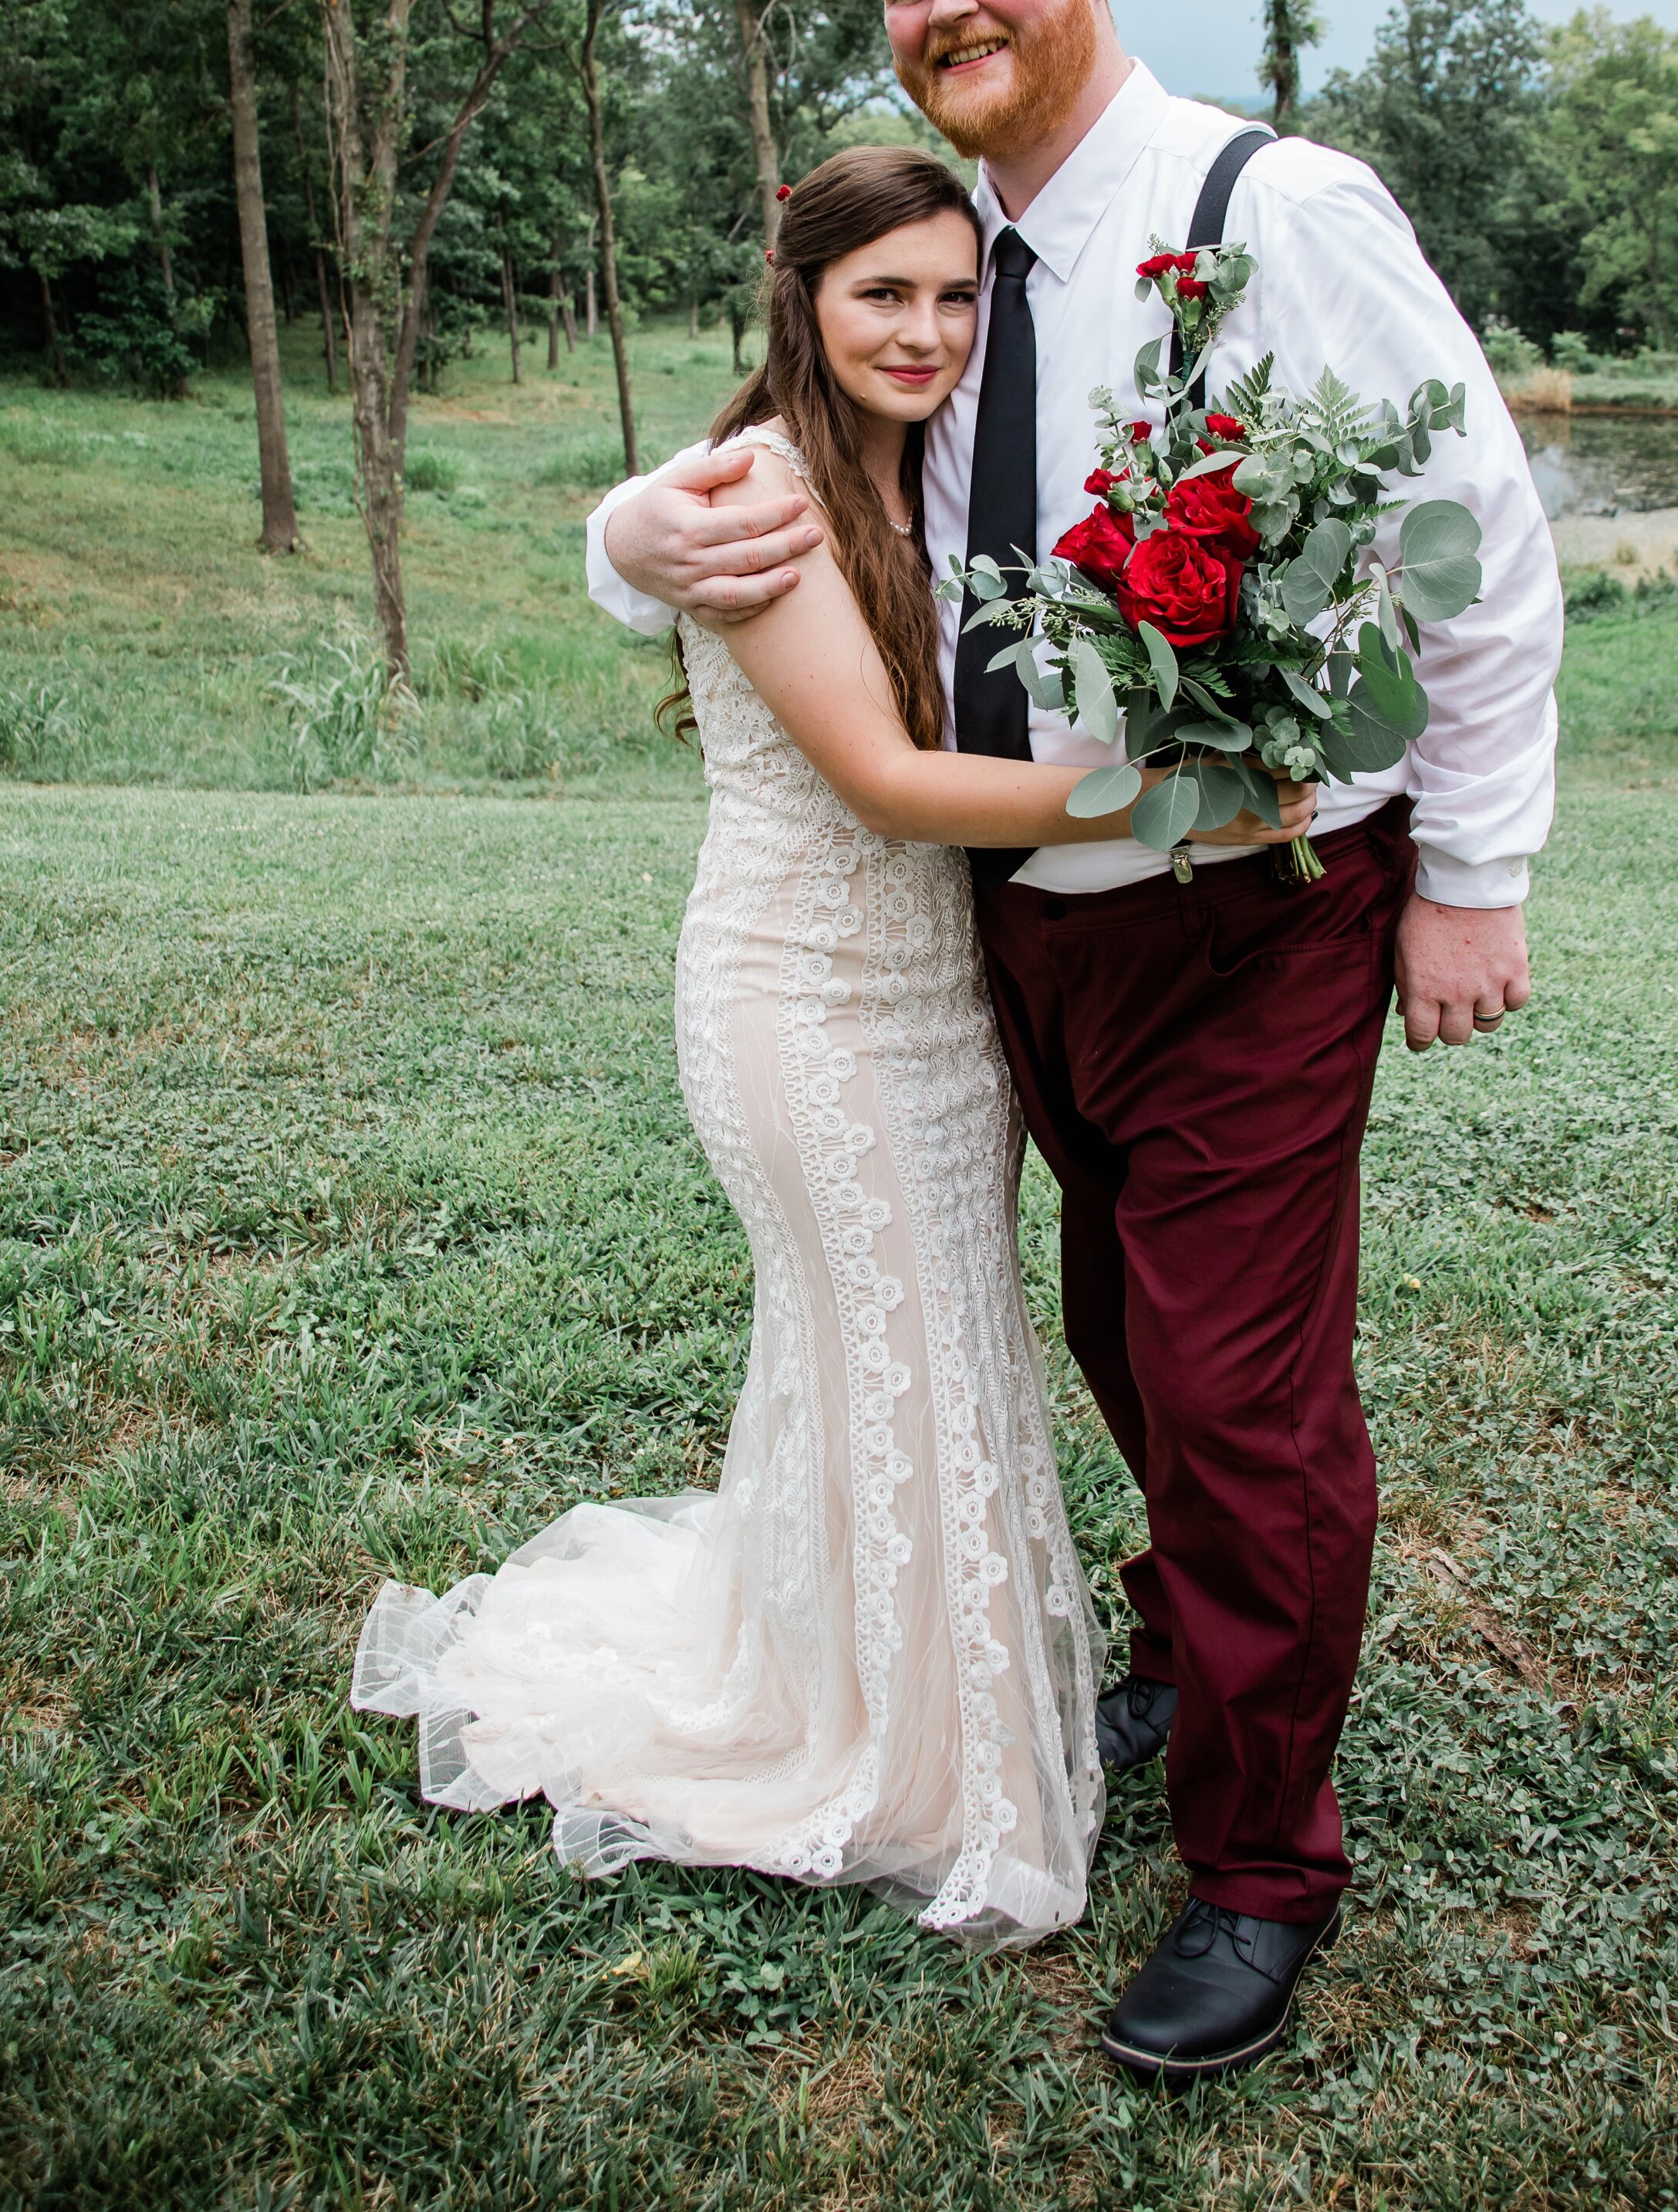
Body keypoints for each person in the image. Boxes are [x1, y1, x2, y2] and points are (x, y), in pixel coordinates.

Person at [586, 0, 1564, 2082]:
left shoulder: (1267, 210)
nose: (947, 12)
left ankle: (1256, 1858)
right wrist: (627, 527)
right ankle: (1179, 1640)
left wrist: (1475, 871)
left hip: (1255, 918)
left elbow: (1478, 546)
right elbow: (759, 494)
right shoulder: (941, 253)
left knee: (1238, 1396)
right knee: (1132, 1341)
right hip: (1021, 936)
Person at [353, 142, 1312, 1956]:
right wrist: (1186, 801)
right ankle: (905, 1765)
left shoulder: (927, 471)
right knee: (902, 1354)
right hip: (802, 1007)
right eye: (885, 294)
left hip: (939, 1012)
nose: (928, 331)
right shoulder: (763, 494)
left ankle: (883, 1687)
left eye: (957, 297)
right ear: (801, 297)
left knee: (919, 1364)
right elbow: (883, 784)